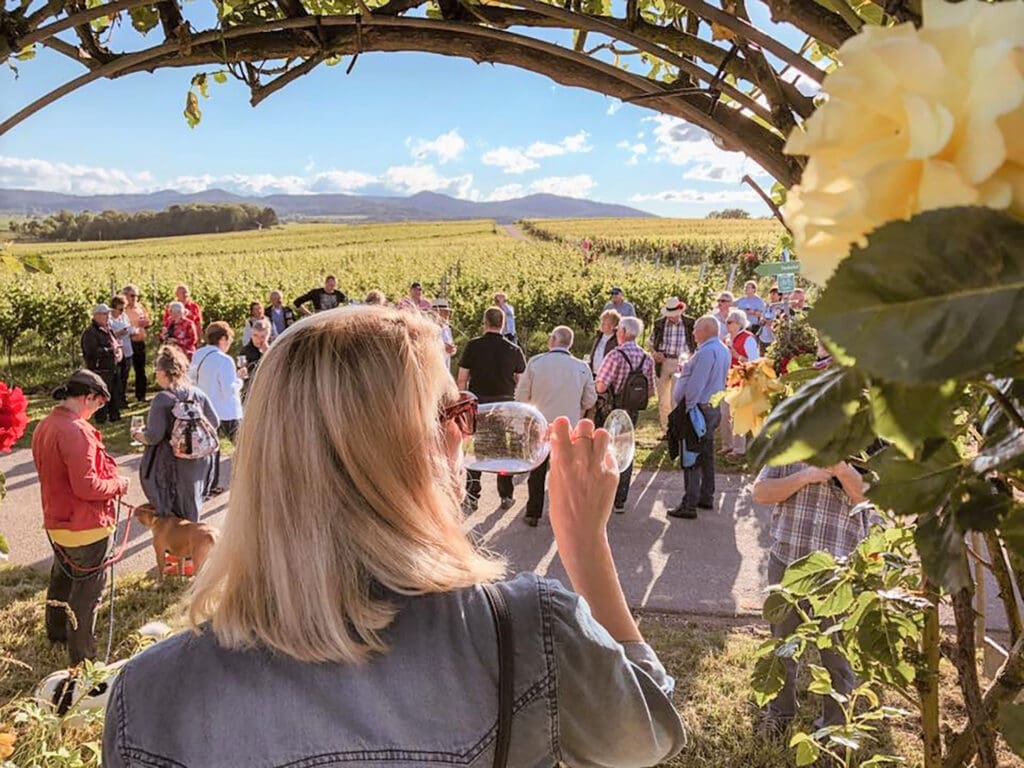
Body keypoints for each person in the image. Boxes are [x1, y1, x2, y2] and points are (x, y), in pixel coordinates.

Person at [102, 307, 686, 768]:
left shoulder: (148, 696)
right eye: (458, 412)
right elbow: (648, 733)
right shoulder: (525, 629)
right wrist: (585, 543)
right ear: (406, 451)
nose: (468, 432)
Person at [752, 460, 872, 735]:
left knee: (837, 655)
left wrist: (841, 468)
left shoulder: (864, 444)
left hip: (837, 574)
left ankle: (834, 728)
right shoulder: (791, 442)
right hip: (787, 565)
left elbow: (870, 498)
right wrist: (806, 475)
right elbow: (760, 492)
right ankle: (779, 713)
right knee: (783, 647)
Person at [33, 370, 130, 666]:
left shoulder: (45, 425)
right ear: (88, 397)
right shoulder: (77, 431)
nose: (97, 411)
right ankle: (83, 661)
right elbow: (88, 486)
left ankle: (56, 632)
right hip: (86, 527)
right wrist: (119, 485)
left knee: (62, 579)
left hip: (57, 522)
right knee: (87, 596)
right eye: (98, 405)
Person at [515, 326, 597, 527]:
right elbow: (590, 399)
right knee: (565, 471)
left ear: (552, 340)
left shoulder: (536, 363)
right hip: (568, 425)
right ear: (570, 343)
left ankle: (534, 512)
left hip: (539, 423)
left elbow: (520, 396)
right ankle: (563, 513)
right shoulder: (581, 367)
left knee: (537, 469)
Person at [133, 345, 220, 523]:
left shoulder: (162, 399)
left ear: (164, 373)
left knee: (177, 507)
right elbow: (215, 422)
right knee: (194, 500)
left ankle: (183, 546)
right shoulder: (197, 394)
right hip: (200, 457)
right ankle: (193, 543)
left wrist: (137, 434)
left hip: (173, 460)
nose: (155, 374)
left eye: (156, 370)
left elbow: (154, 436)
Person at [457, 306, 527, 510]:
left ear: (485, 323)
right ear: (503, 324)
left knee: (476, 447)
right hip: (504, 404)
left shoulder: (472, 346)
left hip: (479, 403)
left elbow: (462, 378)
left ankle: (472, 495)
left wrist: (462, 401)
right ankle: (506, 494)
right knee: (502, 450)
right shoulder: (513, 349)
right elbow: (520, 381)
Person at [668, 316, 730, 520]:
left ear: (705, 330)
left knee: (691, 454)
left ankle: (689, 503)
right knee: (706, 454)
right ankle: (706, 495)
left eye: (695, 329)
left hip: (698, 409)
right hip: (711, 407)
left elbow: (696, 384)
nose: (693, 332)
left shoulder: (706, 352)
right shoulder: (722, 349)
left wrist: (687, 408)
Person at [594, 316, 655, 513]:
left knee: (604, 450)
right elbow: (651, 391)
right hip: (632, 411)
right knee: (624, 451)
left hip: (612, 408)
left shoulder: (615, 355)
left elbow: (601, 385)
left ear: (622, 332)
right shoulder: (647, 358)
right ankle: (620, 499)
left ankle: (603, 495)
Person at [190, 322, 245, 495]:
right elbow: (228, 390)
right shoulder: (224, 360)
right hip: (226, 410)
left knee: (212, 450)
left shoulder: (198, 354)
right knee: (245, 446)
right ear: (222, 339)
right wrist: (240, 379)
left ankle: (210, 485)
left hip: (205, 409)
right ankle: (251, 479)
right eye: (228, 340)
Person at [648, 297, 696, 435]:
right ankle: (667, 430)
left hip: (682, 361)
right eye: (670, 315)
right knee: (663, 399)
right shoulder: (659, 324)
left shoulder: (690, 323)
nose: (672, 318)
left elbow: (696, 342)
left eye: (674, 314)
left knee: (677, 397)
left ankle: (677, 429)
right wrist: (655, 353)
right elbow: (651, 342)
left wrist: (692, 357)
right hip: (664, 362)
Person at [721, 308, 760, 457]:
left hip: (742, 381)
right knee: (724, 414)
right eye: (726, 321)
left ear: (738, 323)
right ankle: (727, 445)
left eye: (729, 322)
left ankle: (739, 449)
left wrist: (738, 356)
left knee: (738, 415)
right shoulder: (727, 338)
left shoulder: (748, 338)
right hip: (727, 381)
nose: (727, 324)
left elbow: (754, 361)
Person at [81, 303, 123, 423]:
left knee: (114, 392)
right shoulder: (90, 332)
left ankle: (115, 416)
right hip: (100, 369)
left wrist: (118, 350)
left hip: (112, 367)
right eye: (105, 314)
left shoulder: (108, 329)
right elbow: (91, 351)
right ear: (97, 316)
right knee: (101, 394)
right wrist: (110, 350)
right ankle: (101, 418)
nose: (108, 316)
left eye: (108, 314)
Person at [123, 285, 151, 403]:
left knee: (141, 370)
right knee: (125, 370)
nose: (135, 298)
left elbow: (147, 320)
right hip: (128, 342)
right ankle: (122, 398)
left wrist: (146, 323)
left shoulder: (140, 307)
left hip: (140, 342)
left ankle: (141, 396)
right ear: (126, 296)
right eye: (132, 295)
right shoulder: (123, 310)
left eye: (136, 296)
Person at [108, 295, 134, 411]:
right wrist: (120, 332)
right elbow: (109, 336)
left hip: (127, 350)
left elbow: (128, 328)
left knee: (125, 376)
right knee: (116, 377)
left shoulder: (124, 317)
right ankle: (115, 402)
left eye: (124, 309)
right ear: (113, 308)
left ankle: (123, 399)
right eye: (120, 309)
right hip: (116, 353)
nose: (122, 311)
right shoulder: (109, 320)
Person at [589, 308, 620, 378]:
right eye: (601, 322)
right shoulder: (599, 336)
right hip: (594, 374)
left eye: (604, 323)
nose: (601, 325)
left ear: (612, 326)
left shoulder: (616, 340)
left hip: (606, 377)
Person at [431, 298, 457, 370]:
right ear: (437, 312)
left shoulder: (447, 328)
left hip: (445, 367)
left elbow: (450, 347)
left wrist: (453, 349)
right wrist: (443, 347)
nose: (447, 315)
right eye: (445, 312)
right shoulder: (429, 327)